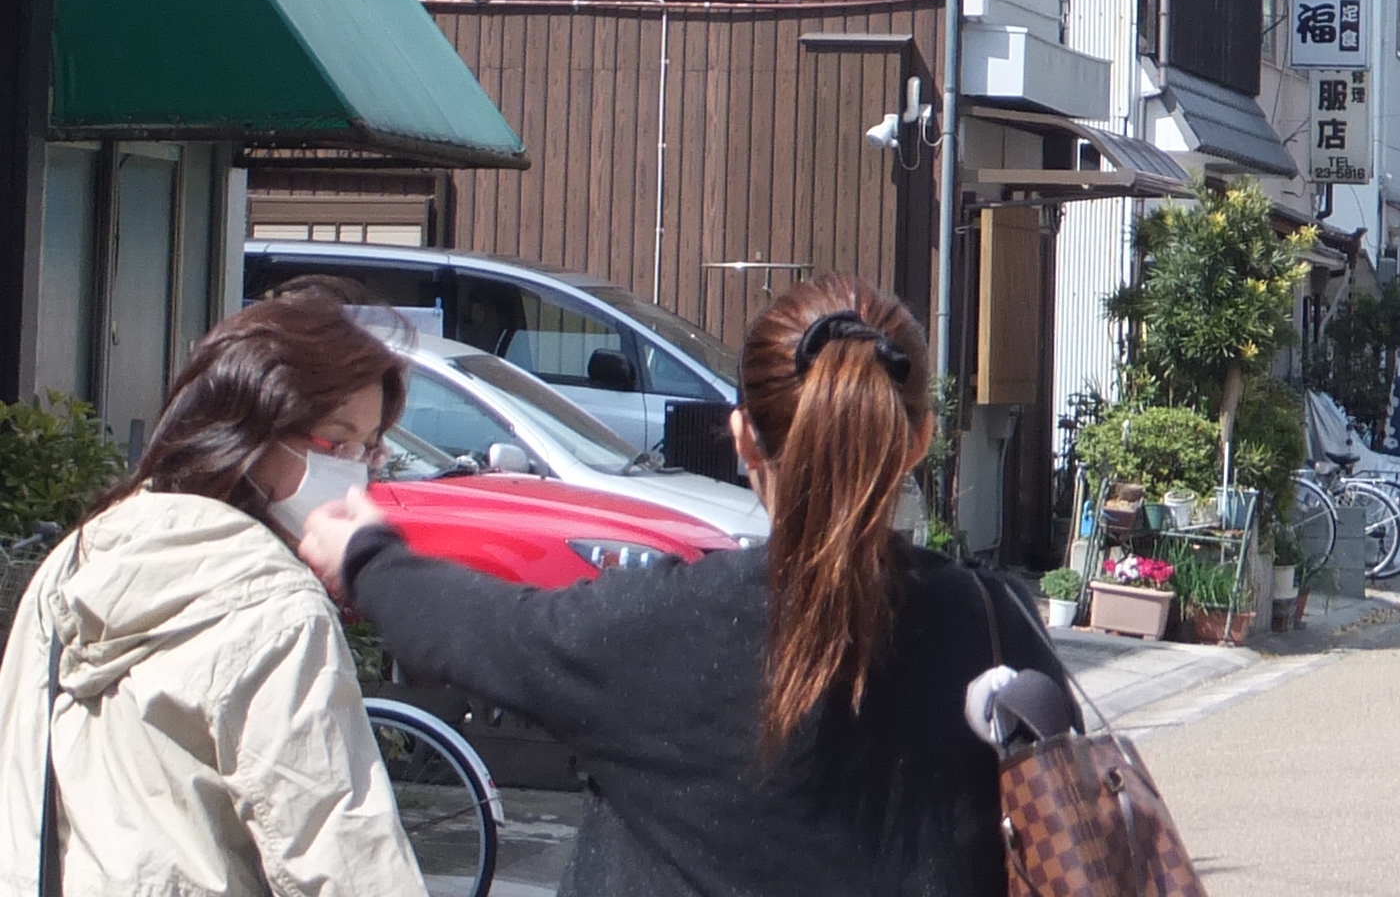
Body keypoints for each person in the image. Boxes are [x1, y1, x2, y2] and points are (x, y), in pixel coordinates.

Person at [302, 277, 1066, 897]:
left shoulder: (663, 627)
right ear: (919, 439)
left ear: (741, 440)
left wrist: (366, 554)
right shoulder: (991, 626)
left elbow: (485, 628)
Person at [0, 291, 429, 897]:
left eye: (369, 446)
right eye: (337, 441)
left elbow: (16, 774)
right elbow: (339, 848)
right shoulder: (275, 606)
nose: (357, 468)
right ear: (250, 432)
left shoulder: (77, 559)